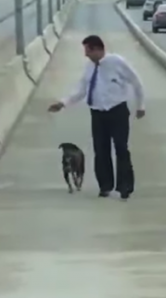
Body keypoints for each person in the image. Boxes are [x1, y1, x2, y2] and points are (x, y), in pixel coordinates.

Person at [48, 35, 145, 200]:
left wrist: (141, 106)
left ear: (98, 49)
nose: (86, 54)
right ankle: (105, 185)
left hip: (117, 110)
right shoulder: (89, 67)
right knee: (101, 150)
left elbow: (136, 82)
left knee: (121, 148)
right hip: (98, 112)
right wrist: (63, 103)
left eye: (88, 50)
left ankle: (125, 186)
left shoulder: (117, 62)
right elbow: (81, 90)